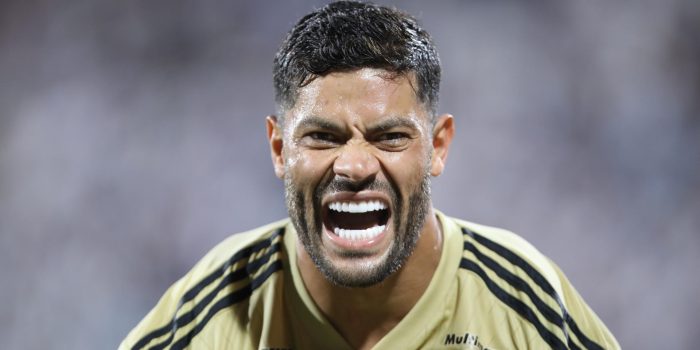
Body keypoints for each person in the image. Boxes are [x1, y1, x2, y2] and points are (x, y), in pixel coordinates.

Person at [120, 1, 619, 349]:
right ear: (278, 148)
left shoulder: (524, 305)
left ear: (437, 146)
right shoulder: (211, 311)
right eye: (322, 137)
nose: (355, 166)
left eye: (389, 137)